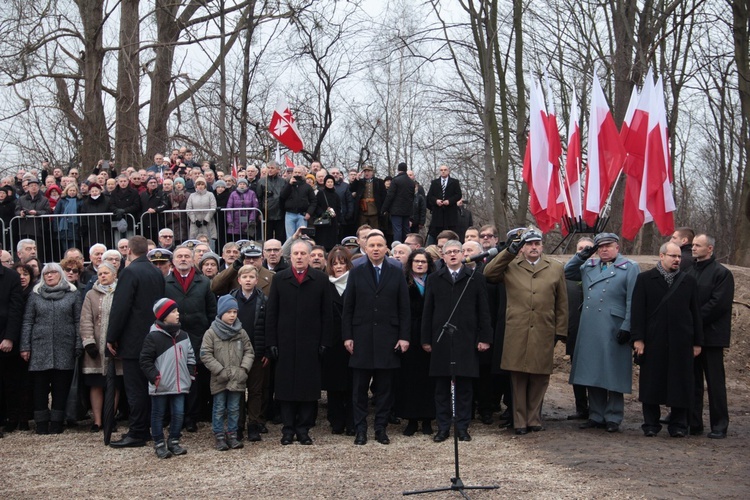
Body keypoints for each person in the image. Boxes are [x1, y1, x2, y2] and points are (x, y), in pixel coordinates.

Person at [483, 229, 568, 435]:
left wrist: (561, 331)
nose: (533, 247)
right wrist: (509, 252)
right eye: (529, 244)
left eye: (537, 244)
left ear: (542, 246)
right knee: (518, 376)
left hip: (543, 329)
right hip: (517, 329)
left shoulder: (555, 268)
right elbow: (488, 273)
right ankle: (519, 421)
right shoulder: (511, 265)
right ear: (522, 247)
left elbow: (562, 302)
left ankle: (534, 419)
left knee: (540, 377)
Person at [564, 233, 640, 433]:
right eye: (601, 247)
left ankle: (613, 416)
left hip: (614, 325)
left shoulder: (629, 268)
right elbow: (567, 272)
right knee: (593, 370)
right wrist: (582, 255)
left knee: (613, 371)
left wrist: (628, 326)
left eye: (608, 246)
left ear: (617, 247)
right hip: (590, 325)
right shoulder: (589, 266)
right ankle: (596, 415)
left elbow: (633, 300)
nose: (604, 249)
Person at [342, 232, 410, 445]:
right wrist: (348, 337)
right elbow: (348, 308)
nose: (375, 249)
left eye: (380, 245)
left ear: (386, 248)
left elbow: (404, 308)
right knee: (359, 388)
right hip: (361, 337)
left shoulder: (396, 273)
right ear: (366, 247)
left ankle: (381, 428)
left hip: (388, 338)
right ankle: (360, 429)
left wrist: (404, 337)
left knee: (385, 388)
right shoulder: (356, 272)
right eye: (372, 245)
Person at [421, 240, 492, 442]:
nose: (452, 255)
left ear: (462, 254)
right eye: (448, 252)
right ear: (442, 256)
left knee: (464, 386)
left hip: (467, 339)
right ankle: (443, 427)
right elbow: (428, 311)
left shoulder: (475, 278)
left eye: (456, 251)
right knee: (442, 386)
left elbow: (483, 311)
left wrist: (485, 338)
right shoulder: (434, 278)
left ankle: (462, 426)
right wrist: (426, 339)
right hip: (441, 339)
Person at [631, 242, 703, 438]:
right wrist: (638, 339)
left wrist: (697, 342)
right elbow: (637, 311)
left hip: (681, 341)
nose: (677, 260)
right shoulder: (645, 279)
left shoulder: (688, 281)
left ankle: (679, 424)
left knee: (681, 382)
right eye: (673, 256)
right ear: (661, 256)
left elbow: (695, 313)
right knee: (652, 382)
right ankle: (651, 424)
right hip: (654, 340)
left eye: (679, 257)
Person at [265, 240, 332, 445]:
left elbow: (327, 314)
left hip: (310, 344)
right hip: (284, 343)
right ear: (290, 257)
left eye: (304, 253)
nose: (300, 257)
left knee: (308, 388)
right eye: (296, 254)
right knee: (285, 389)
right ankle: (287, 429)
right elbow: (272, 313)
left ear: (310, 256)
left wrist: (324, 341)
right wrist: (272, 341)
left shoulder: (320, 279)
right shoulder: (280, 279)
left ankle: (303, 429)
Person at [107, 236, 166, 448]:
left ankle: (138, 432)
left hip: (134, 340)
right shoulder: (156, 272)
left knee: (135, 389)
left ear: (129, 251)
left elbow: (120, 307)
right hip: (154, 337)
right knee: (148, 386)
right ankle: (149, 428)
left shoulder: (130, 272)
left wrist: (111, 336)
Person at [20, 262, 82, 434]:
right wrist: (25, 346)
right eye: (46, 273)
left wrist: (78, 343)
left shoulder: (73, 294)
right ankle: (41, 423)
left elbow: (78, 321)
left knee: (60, 386)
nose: (49, 275)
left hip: (65, 345)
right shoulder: (35, 295)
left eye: (54, 272)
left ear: (60, 274)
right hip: (39, 346)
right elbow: (27, 321)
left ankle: (56, 422)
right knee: (39, 387)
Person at [164, 245, 217, 432]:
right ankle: (175, 416)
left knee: (193, 378)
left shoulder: (203, 282)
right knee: (174, 376)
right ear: (174, 260)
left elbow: (212, 311)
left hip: (198, 336)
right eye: (180, 256)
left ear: (193, 259)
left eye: (187, 256)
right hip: (173, 336)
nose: (183, 259)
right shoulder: (165, 282)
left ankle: (191, 417)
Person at [687, 234, 734, 439]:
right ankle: (694, 423)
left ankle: (719, 425)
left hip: (712, 336)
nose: (693, 248)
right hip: (691, 335)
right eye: (693, 245)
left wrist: (694, 321)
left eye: (698, 245)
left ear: (710, 249)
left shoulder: (722, 274)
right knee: (693, 381)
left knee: (715, 382)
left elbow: (718, 305)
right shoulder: (689, 271)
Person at [140, 298, 195, 458]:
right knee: (158, 414)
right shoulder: (153, 337)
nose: (177, 314)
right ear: (163, 316)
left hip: (180, 384)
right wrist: (155, 377)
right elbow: (145, 360)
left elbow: (190, 355)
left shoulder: (183, 335)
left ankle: (174, 441)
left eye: (177, 311)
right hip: (161, 384)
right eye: (173, 311)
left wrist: (190, 374)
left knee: (179, 413)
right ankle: (158, 443)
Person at [201, 295, 255, 451]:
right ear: (221, 313)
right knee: (218, 407)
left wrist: (243, 369)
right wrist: (219, 370)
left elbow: (249, 352)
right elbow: (205, 354)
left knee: (234, 408)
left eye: (235, 312)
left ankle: (232, 434)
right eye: (229, 312)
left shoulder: (241, 332)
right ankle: (219, 435)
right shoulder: (211, 333)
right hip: (219, 378)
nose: (232, 315)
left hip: (237, 377)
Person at [395, 249, 436, 436]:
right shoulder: (403, 282)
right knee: (409, 378)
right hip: (409, 333)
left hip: (429, 333)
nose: (420, 264)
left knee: (429, 379)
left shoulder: (435, 281)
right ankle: (411, 419)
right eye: (416, 261)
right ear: (410, 263)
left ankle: (427, 419)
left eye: (424, 262)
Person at [79, 261, 121, 432]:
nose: (102, 276)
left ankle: (110, 417)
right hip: (95, 345)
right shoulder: (91, 294)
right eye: (100, 273)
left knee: (115, 383)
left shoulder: (121, 292)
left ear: (114, 275)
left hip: (115, 346)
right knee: (96, 384)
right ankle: (97, 421)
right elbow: (85, 318)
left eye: (106, 273)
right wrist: (88, 342)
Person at [229, 265, 268, 442]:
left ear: (256, 280)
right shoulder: (230, 299)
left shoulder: (263, 300)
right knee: (237, 390)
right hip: (235, 353)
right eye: (244, 277)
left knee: (255, 390)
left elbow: (268, 326)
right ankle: (238, 425)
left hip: (257, 352)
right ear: (239, 280)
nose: (248, 280)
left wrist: (266, 350)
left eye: (252, 277)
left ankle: (254, 424)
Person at [323, 246, 355, 435]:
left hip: (352, 340)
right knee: (334, 384)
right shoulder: (325, 284)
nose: (339, 267)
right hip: (333, 340)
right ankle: (336, 420)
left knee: (353, 384)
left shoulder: (355, 282)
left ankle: (351, 421)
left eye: (342, 263)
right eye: (335, 263)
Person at [564, 237, 593, 421]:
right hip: (575, 330)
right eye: (580, 248)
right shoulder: (570, 273)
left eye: (587, 249)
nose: (583, 251)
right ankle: (581, 407)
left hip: (594, 329)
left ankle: (598, 408)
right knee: (577, 371)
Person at [0, 262, 23, 436]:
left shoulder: (11, 277)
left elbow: (16, 309)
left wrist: (9, 337)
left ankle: (11, 418)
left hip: (4, 337)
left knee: (9, 383)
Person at [425, 165, 462, 243]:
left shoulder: (454, 182)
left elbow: (458, 195)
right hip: (438, 213)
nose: (443, 171)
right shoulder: (435, 182)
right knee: (437, 233)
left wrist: (449, 201)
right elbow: (430, 196)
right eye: (441, 170)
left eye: (445, 170)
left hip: (450, 212)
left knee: (450, 233)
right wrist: (436, 201)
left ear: (448, 171)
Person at [381, 162, 415, 243]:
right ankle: (407, 245)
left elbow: (390, 196)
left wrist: (384, 209)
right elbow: (412, 197)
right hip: (407, 210)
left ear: (398, 170)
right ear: (406, 170)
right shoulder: (411, 182)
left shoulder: (396, 180)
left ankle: (397, 247)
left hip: (396, 210)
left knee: (397, 230)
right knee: (406, 230)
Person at [281, 166, 317, 238]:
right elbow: (282, 196)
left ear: (303, 174)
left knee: (302, 236)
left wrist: (309, 212)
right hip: (289, 214)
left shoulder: (307, 187)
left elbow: (313, 201)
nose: (297, 174)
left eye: (299, 172)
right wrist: (289, 185)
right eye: (295, 172)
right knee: (290, 237)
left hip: (302, 215)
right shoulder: (287, 185)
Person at [256, 161, 287, 241]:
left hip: (280, 213)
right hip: (267, 213)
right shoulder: (261, 181)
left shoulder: (283, 181)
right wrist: (260, 213)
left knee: (280, 237)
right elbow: (258, 198)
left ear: (277, 170)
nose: (270, 170)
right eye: (268, 168)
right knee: (267, 237)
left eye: (272, 168)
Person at [350, 165, 386, 229]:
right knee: (362, 230)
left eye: (368, 171)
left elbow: (383, 196)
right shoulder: (360, 182)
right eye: (365, 171)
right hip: (362, 211)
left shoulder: (379, 182)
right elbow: (351, 189)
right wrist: (356, 179)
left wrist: (383, 210)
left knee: (375, 230)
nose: (366, 173)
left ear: (372, 172)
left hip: (374, 211)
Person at [186, 177, 217, 250]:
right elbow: (188, 209)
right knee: (194, 242)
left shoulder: (210, 195)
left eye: (202, 184)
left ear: (205, 186)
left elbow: (213, 207)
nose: (200, 186)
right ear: (196, 186)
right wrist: (195, 220)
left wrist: (207, 219)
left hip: (208, 223)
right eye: (198, 184)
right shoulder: (192, 196)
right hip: (195, 224)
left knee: (209, 241)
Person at [313, 175, 341, 251]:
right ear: (325, 183)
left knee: (332, 242)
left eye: (331, 182)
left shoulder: (336, 195)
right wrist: (323, 213)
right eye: (328, 182)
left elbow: (338, 208)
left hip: (333, 221)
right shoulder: (321, 193)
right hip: (323, 221)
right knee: (322, 241)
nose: (330, 183)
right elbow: (316, 205)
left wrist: (337, 217)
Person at [226, 178, 259, 243]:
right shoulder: (233, 194)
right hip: (235, 222)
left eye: (244, 184)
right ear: (237, 185)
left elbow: (255, 207)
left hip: (248, 222)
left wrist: (251, 219)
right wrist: (230, 221)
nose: (242, 185)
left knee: (248, 241)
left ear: (246, 185)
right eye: (240, 184)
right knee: (236, 242)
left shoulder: (252, 193)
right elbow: (229, 208)